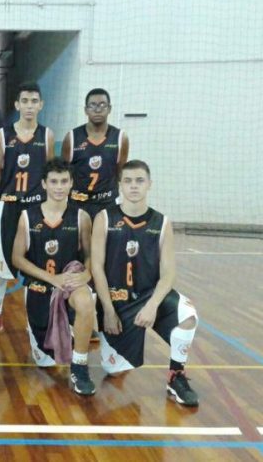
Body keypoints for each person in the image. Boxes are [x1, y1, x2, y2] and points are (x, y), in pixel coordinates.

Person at [91, 160, 199, 406]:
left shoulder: (161, 223)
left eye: (140, 180)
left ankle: (176, 375)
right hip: (117, 302)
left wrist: (152, 306)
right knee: (114, 371)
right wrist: (108, 310)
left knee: (188, 315)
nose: (134, 186)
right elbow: (96, 267)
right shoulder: (105, 218)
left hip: (149, 297)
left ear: (149, 184)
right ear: (120, 185)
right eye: (128, 181)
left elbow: (168, 273)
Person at [11, 158, 96, 395]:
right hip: (40, 287)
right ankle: (55, 331)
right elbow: (17, 258)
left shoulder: (81, 217)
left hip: (70, 282)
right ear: (44, 184)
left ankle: (79, 365)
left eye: (64, 181)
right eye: (54, 181)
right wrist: (52, 279)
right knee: (44, 362)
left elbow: (90, 254)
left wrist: (87, 273)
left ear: (71, 183)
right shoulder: (27, 216)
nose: (59, 187)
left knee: (85, 301)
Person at [0, 82, 54, 333]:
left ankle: (35, 318)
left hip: (36, 209)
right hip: (9, 207)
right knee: (1, 264)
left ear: (41, 105)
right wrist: (12, 194)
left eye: (34, 101)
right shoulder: (4, 134)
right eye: (24, 101)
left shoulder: (46, 135)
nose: (29, 106)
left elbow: (49, 174)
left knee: (36, 263)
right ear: (17, 105)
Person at [62, 88, 129, 220]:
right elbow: (64, 173)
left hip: (108, 203)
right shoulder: (72, 137)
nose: (97, 110)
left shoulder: (121, 138)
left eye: (102, 105)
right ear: (85, 110)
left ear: (109, 109)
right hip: (78, 203)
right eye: (92, 105)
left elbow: (120, 172)